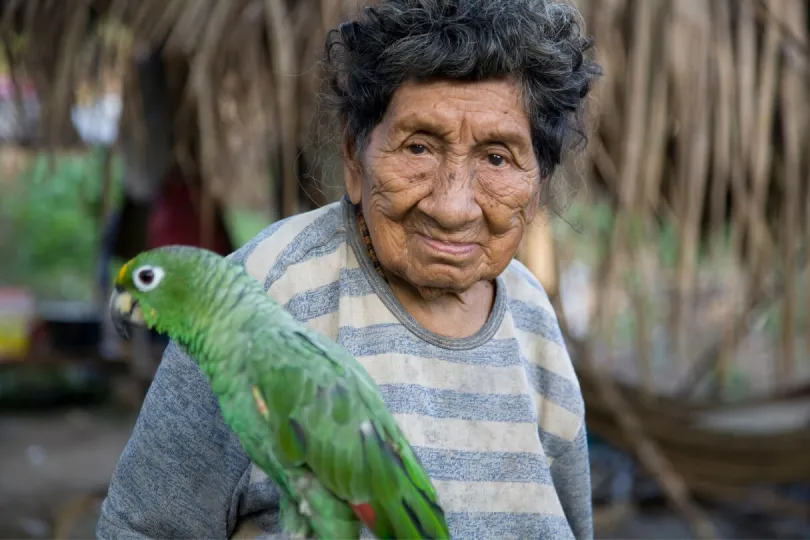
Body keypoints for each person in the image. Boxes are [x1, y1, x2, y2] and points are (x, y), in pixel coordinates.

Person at [97, 0, 601, 538]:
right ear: (352, 158)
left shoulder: (533, 321)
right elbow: (142, 528)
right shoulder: (248, 300)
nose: (451, 207)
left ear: (536, 185)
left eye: (497, 158)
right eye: (418, 147)